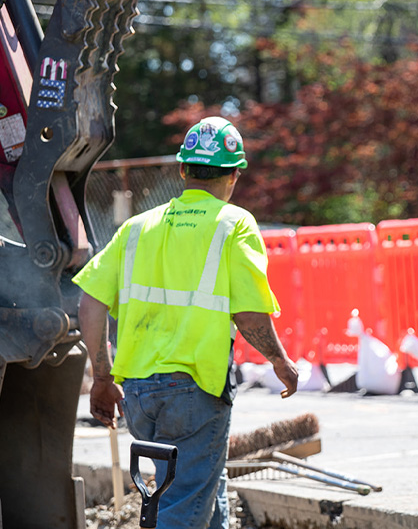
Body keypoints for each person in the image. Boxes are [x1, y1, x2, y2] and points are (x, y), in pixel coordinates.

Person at [75, 117, 300, 529]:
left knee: (202, 496)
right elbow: (248, 314)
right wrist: (280, 362)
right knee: (184, 504)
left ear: (182, 170)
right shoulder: (235, 224)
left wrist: (103, 377)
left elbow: (89, 302)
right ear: (234, 175)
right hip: (195, 387)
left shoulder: (137, 227)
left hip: (140, 391)